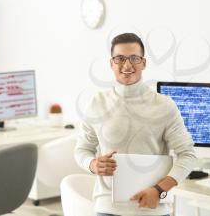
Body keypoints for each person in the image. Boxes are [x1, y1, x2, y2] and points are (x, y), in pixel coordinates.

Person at [74, 33, 197, 216]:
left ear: (144, 63)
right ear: (111, 63)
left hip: (152, 210)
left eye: (134, 58)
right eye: (120, 58)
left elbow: (188, 155)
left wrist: (159, 190)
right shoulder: (96, 102)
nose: (127, 65)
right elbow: (82, 149)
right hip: (108, 209)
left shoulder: (164, 105)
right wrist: (92, 164)